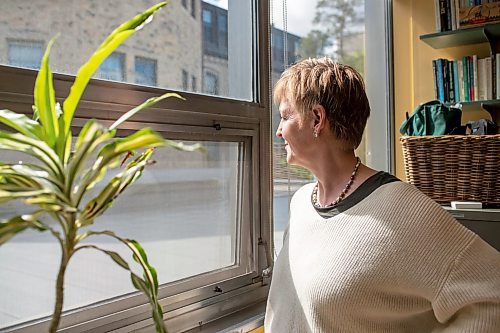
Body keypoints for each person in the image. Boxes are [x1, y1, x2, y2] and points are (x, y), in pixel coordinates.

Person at [264, 57, 500, 332]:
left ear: (317, 119)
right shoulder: (300, 203)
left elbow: (492, 296)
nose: (279, 131)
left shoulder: (403, 210)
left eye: (285, 116)